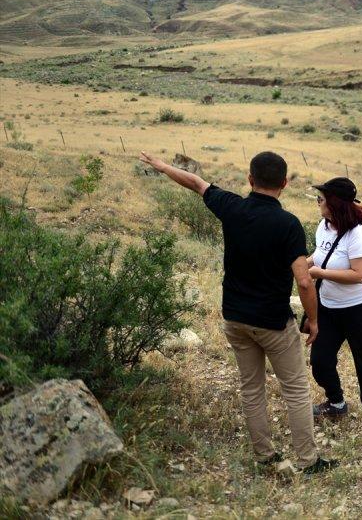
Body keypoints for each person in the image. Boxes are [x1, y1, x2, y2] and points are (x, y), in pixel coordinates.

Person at [138, 150, 337, 474]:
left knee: (251, 387)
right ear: (284, 183)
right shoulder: (287, 225)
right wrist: (313, 321)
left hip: (235, 318)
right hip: (273, 322)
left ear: (249, 179)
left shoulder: (232, 206)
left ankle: (263, 454)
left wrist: (161, 166)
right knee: (297, 390)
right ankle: (308, 460)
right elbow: (304, 281)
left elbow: (196, 183)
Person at [305, 177, 362, 433]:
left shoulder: (358, 234)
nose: (318, 202)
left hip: (359, 307)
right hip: (328, 306)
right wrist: (301, 266)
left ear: (335, 203)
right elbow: (319, 256)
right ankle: (336, 401)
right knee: (320, 360)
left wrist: (319, 273)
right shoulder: (324, 226)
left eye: (322, 198)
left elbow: (359, 274)